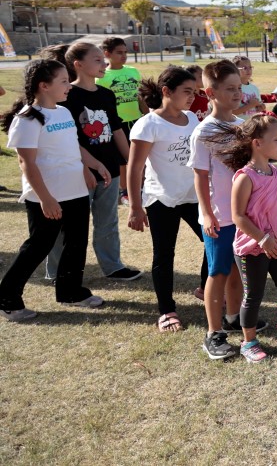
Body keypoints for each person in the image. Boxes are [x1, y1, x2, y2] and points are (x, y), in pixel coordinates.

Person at [0, 59, 109, 321]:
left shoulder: (63, 112)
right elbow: (26, 162)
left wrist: (93, 164)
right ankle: (7, 299)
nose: (68, 86)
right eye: (63, 81)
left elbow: (73, 146)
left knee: (76, 243)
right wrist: (46, 199)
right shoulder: (27, 119)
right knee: (38, 247)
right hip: (46, 197)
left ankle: (71, 292)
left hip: (75, 192)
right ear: (44, 86)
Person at [209, 114, 277, 363]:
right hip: (251, 247)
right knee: (254, 295)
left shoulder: (275, 173)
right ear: (257, 143)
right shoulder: (245, 177)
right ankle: (249, 342)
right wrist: (263, 240)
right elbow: (238, 216)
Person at [42, 42, 142, 284]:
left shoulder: (106, 94)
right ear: (78, 64)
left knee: (108, 221)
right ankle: (56, 272)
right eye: (97, 60)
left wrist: (133, 162)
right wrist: (85, 167)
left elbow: (117, 130)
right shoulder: (66, 96)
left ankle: (113, 266)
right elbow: (67, 139)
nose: (104, 63)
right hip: (78, 171)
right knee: (68, 225)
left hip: (110, 168)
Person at [188, 60, 256, 359]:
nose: (237, 93)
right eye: (230, 89)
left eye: (238, 88)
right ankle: (213, 333)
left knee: (238, 271)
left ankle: (232, 317)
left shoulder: (241, 127)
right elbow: (200, 176)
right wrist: (206, 213)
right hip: (219, 216)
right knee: (217, 272)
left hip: (242, 215)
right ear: (210, 93)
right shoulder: (204, 131)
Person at [126, 66, 202, 333]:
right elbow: (135, 168)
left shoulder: (191, 118)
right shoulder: (148, 124)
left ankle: (205, 287)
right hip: (161, 199)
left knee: (216, 242)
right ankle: (167, 310)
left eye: (194, 91)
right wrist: (135, 207)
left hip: (193, 196)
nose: (192, 97)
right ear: (167, 91)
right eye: (187, 91)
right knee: (164, 255)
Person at [97, 36, 146, 205]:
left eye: (125, 52)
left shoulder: (133, 71)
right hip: (117, 124)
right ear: (107, 54)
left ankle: (140, 187)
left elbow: (140, 97)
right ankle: (124, 190)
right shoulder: (102, 76)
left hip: (136, 120)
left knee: (140, 156)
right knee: (122, 160)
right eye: (119, 52)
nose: (124, 56)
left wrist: (147, 114)